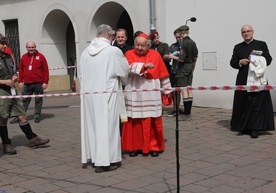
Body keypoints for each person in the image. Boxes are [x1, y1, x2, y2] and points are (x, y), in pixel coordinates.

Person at [79, 24, 129, 173]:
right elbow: (123, 70)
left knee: (94, 126)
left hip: (89, 96)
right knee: (108, 127)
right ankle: (107, 161)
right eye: (113, 36)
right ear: (109, 35)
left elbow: (81, 75)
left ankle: (96, 158)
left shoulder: (85, 52)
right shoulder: (112, 51)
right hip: (107, 94)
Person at [122, 33, 171, 157]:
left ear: (148, 46)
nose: (139, 48)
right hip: (134, 91)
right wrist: (144, 66)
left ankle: (153, 147)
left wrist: (167, 92)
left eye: (142, 46)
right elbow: (128, 68)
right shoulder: (129, 54)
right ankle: (134, 147)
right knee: (134, 121)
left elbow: (162, 74)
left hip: (150, 93)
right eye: (137, 45)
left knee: (152, 119)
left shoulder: (155, 55)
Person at [0, 34, 50, 154]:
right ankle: (6, 144)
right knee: (3, 119)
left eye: (4, 43)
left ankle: (32, 139)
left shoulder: (8, 57)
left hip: (12, 90)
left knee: (22, 115)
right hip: (1, 91)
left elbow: (15, 71)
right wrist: (4, 82)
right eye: (2, 43)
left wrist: (15, 77)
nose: (4, 46)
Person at [230, 24, 275, 138]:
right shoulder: (238, 47)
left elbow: (268, 59)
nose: (246, 33)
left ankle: (255, 128)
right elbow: (233, 62)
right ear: (241, 34)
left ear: (253, 32)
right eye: (244, 32)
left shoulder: (261, 44)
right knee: (244, 103)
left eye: (248, 31)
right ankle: (243, 127)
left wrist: (256, 59)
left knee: (256, 104)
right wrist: (241, 61)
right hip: (243, 79)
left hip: (257, 78)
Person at [10, 41, 49, 124]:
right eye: (29, 47)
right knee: (24, 100)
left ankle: (37, 116)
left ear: (35, 47)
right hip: (27, 83)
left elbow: (45, 70)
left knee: (38, 100)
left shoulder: (41, 57)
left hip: (38, 83)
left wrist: (45, 82)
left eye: (32, 47)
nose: (31, 49)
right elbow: (21, 69)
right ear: (26, 48)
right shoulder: (24, 57)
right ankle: (20, 116)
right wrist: (20, 81)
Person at [168, 25, 198, 121]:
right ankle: (188, 111)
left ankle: (186, 113)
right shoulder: (193, 42)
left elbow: (181, 59)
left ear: (182, 32)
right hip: (190, 67)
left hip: (183, 69)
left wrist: (172, 57)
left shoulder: (183, 43)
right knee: (189, 89)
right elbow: (195, 58)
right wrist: (192, 69)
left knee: (184, 90)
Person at [163, 29, 184, 117]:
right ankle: (175, 109)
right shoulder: (173, 46)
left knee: (184, 91)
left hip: (182, 71)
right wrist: (170, 56)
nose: (178, 39)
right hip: (174, 71)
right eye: (176, 37)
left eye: (179, 37)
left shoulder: (185, 45)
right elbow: (165, 56)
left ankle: (186, 110)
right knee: (175, 91)